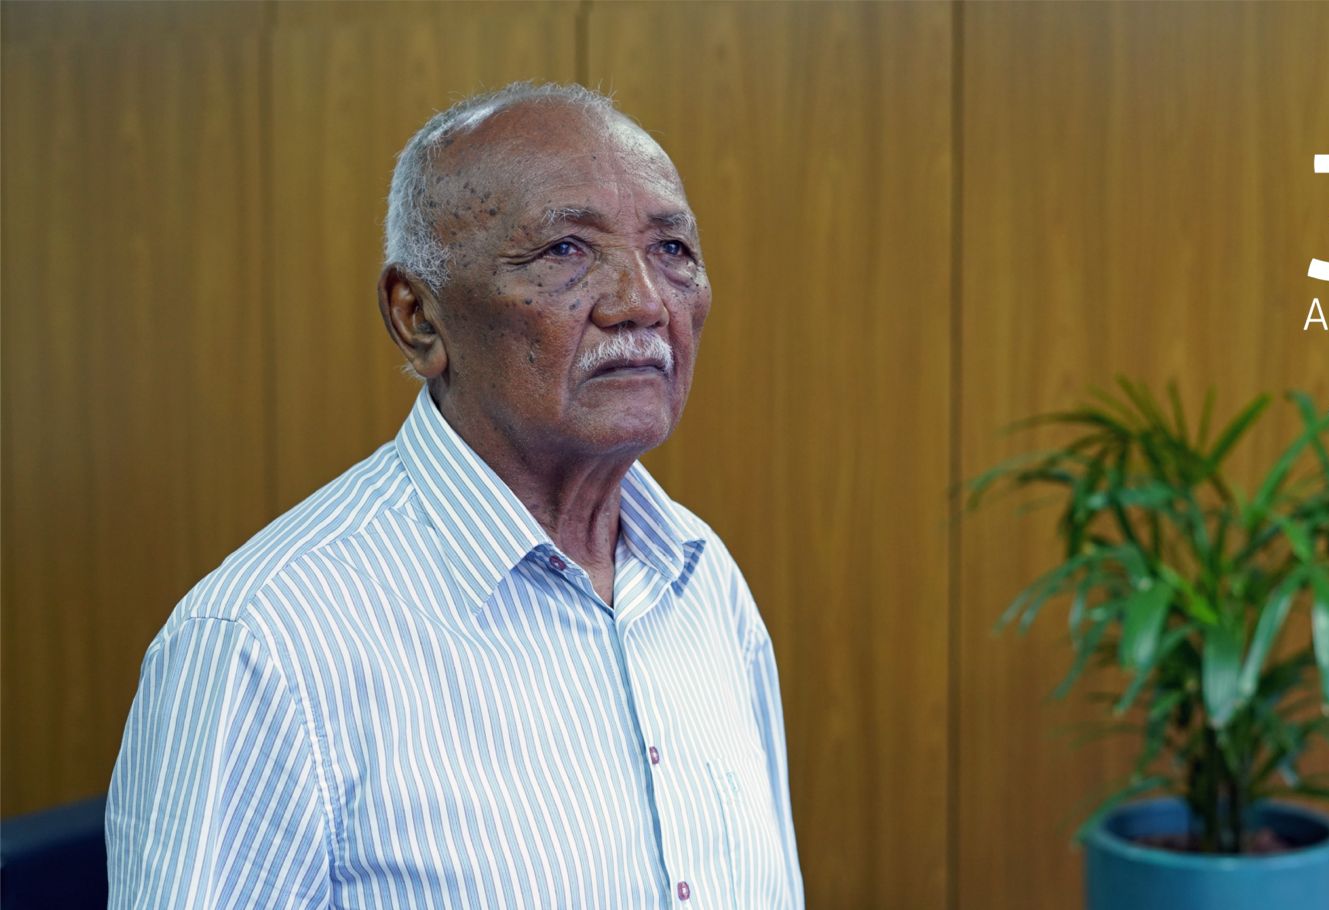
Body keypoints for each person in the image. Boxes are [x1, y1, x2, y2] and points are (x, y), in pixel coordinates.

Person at [105, 81, 804, 909]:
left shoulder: (703, 581)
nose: (643, 303)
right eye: (566, 251)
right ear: (418, 316)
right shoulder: (263, 643)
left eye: (673, 250)